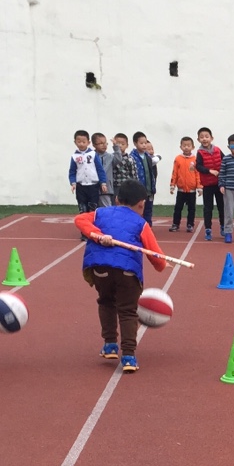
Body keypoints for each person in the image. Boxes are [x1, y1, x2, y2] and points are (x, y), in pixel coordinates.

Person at [74, 179, 167, 372]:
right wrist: (162, 264)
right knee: (127, 311)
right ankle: (129, 356)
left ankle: (110, 345)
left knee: (106, 302)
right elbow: (156, 257)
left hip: (100, 268)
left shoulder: (100, 213)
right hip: (127, 271)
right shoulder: (141, 223)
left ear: (117, 199)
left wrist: (95, 233)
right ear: (141, 204)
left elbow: (80, 219)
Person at [69, 129, 108, 213]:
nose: (81, 144)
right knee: (82, 207)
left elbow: (100, 169)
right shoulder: (74, 156)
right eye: (79, 142)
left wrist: (103, 183)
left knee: (93, 207)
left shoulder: (93, 154)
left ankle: (91, 220)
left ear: (88, 142)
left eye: (84, 142)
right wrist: (73, 183)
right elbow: (72, 171)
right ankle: (83, 219)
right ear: (75, 142)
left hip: (93, 185)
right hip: (80, 186)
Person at [195, 127, 224, 239]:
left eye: (206, 136)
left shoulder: (217, 150)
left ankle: (223, 227)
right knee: (208, 208)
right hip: (207, 185)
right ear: (198, 140)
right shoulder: (200, 152)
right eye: (201, 137)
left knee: (222, 206)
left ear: (211, 138)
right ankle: (208, 229)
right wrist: (209, 171)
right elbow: (198, 166)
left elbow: (225, 161)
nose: (204, 139)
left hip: (219, 184)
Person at [168, 136, 199, 232]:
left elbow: (198, 174)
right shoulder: (178, 159)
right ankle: (175, 224)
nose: (186, 147)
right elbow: (175, 173)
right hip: (181, 189)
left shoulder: (195, 159)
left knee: (191, 209)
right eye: (184, 145)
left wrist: (199, 186)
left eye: (188, 145)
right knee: (178, 208)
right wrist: (172, 185)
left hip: (192, 190)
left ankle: (190, 224)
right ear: (180, 147)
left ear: (193, 147)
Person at [131, 133, 159, 224]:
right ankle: (137, 227)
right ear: (135, 143)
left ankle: (148, 227)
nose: (144, 145)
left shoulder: (148, 156)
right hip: (139, 190)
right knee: (138, 210)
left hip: (149, 189)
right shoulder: (132, 157)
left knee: (148, 210)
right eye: (141, 143)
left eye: (145, 143)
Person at [92, 133, 115, 206]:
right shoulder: (91, 156)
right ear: (94, 145)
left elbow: (119, 160)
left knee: (107, 208)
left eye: (105, 143)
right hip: (93, 188)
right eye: (101, 143)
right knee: (93, 208)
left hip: (106, 189)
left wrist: (116, 147)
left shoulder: (110, 156)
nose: (104, 145)